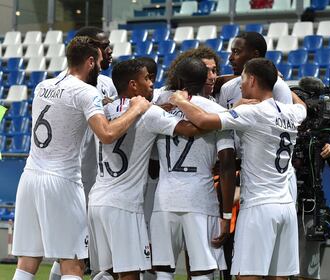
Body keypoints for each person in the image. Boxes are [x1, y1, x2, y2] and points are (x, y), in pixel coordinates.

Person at [11, 37, 150, 280]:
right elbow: (106, 134)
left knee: (27, 262)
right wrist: (136, 109)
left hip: (30, 177)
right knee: (73, 262)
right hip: (62, 181)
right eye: (98, 61)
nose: (100, 66)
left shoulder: (43, 86)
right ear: (89, 62)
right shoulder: (87, 91)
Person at [169, 58, 308, 279]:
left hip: (258, 208)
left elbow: (204, 121)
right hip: (286, 207)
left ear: (252, 79)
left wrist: (179, 101)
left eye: (242, 78)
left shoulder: (254, 112)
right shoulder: (292, 113)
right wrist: (281, 85)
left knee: (247, 276)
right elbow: (303, 106)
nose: (240, 84)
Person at [87, 59, 203, 280]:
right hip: (124, 206)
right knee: (130, 274)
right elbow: (190, 129)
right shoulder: (149, 113)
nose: (152, 83)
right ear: (133, 85)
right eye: (147, 78)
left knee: (108, 273)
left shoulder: (102, 111)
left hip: (97, 202)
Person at [151, 57, 236, 280]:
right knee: (202, 271)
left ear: (178, 79)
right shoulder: (217, 112)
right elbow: (227, 165)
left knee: (162, 271)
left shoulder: (161, 108)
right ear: (206, 80)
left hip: (164, 199)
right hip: (200, 198)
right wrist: (226, 215)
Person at [49, 26, 117, 280]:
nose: (109, 52)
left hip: (100, 179)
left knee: (88, 252)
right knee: (70, 251)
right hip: (71, 178)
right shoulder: (65, 84)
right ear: (90, 52)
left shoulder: (108, 85)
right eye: (104, 47)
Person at [292, 77, 330, 280]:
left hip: (310, 205)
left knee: (307, 273)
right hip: (282, 202)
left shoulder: (323, 136)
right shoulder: (286, 126)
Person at [217, 32, 292, 109]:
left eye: (236, 52)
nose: (230, 58)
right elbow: (220, 119)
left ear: (255, 55)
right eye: (231, 52)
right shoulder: (227, 88)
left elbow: (287, 119)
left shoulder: (279, 86)